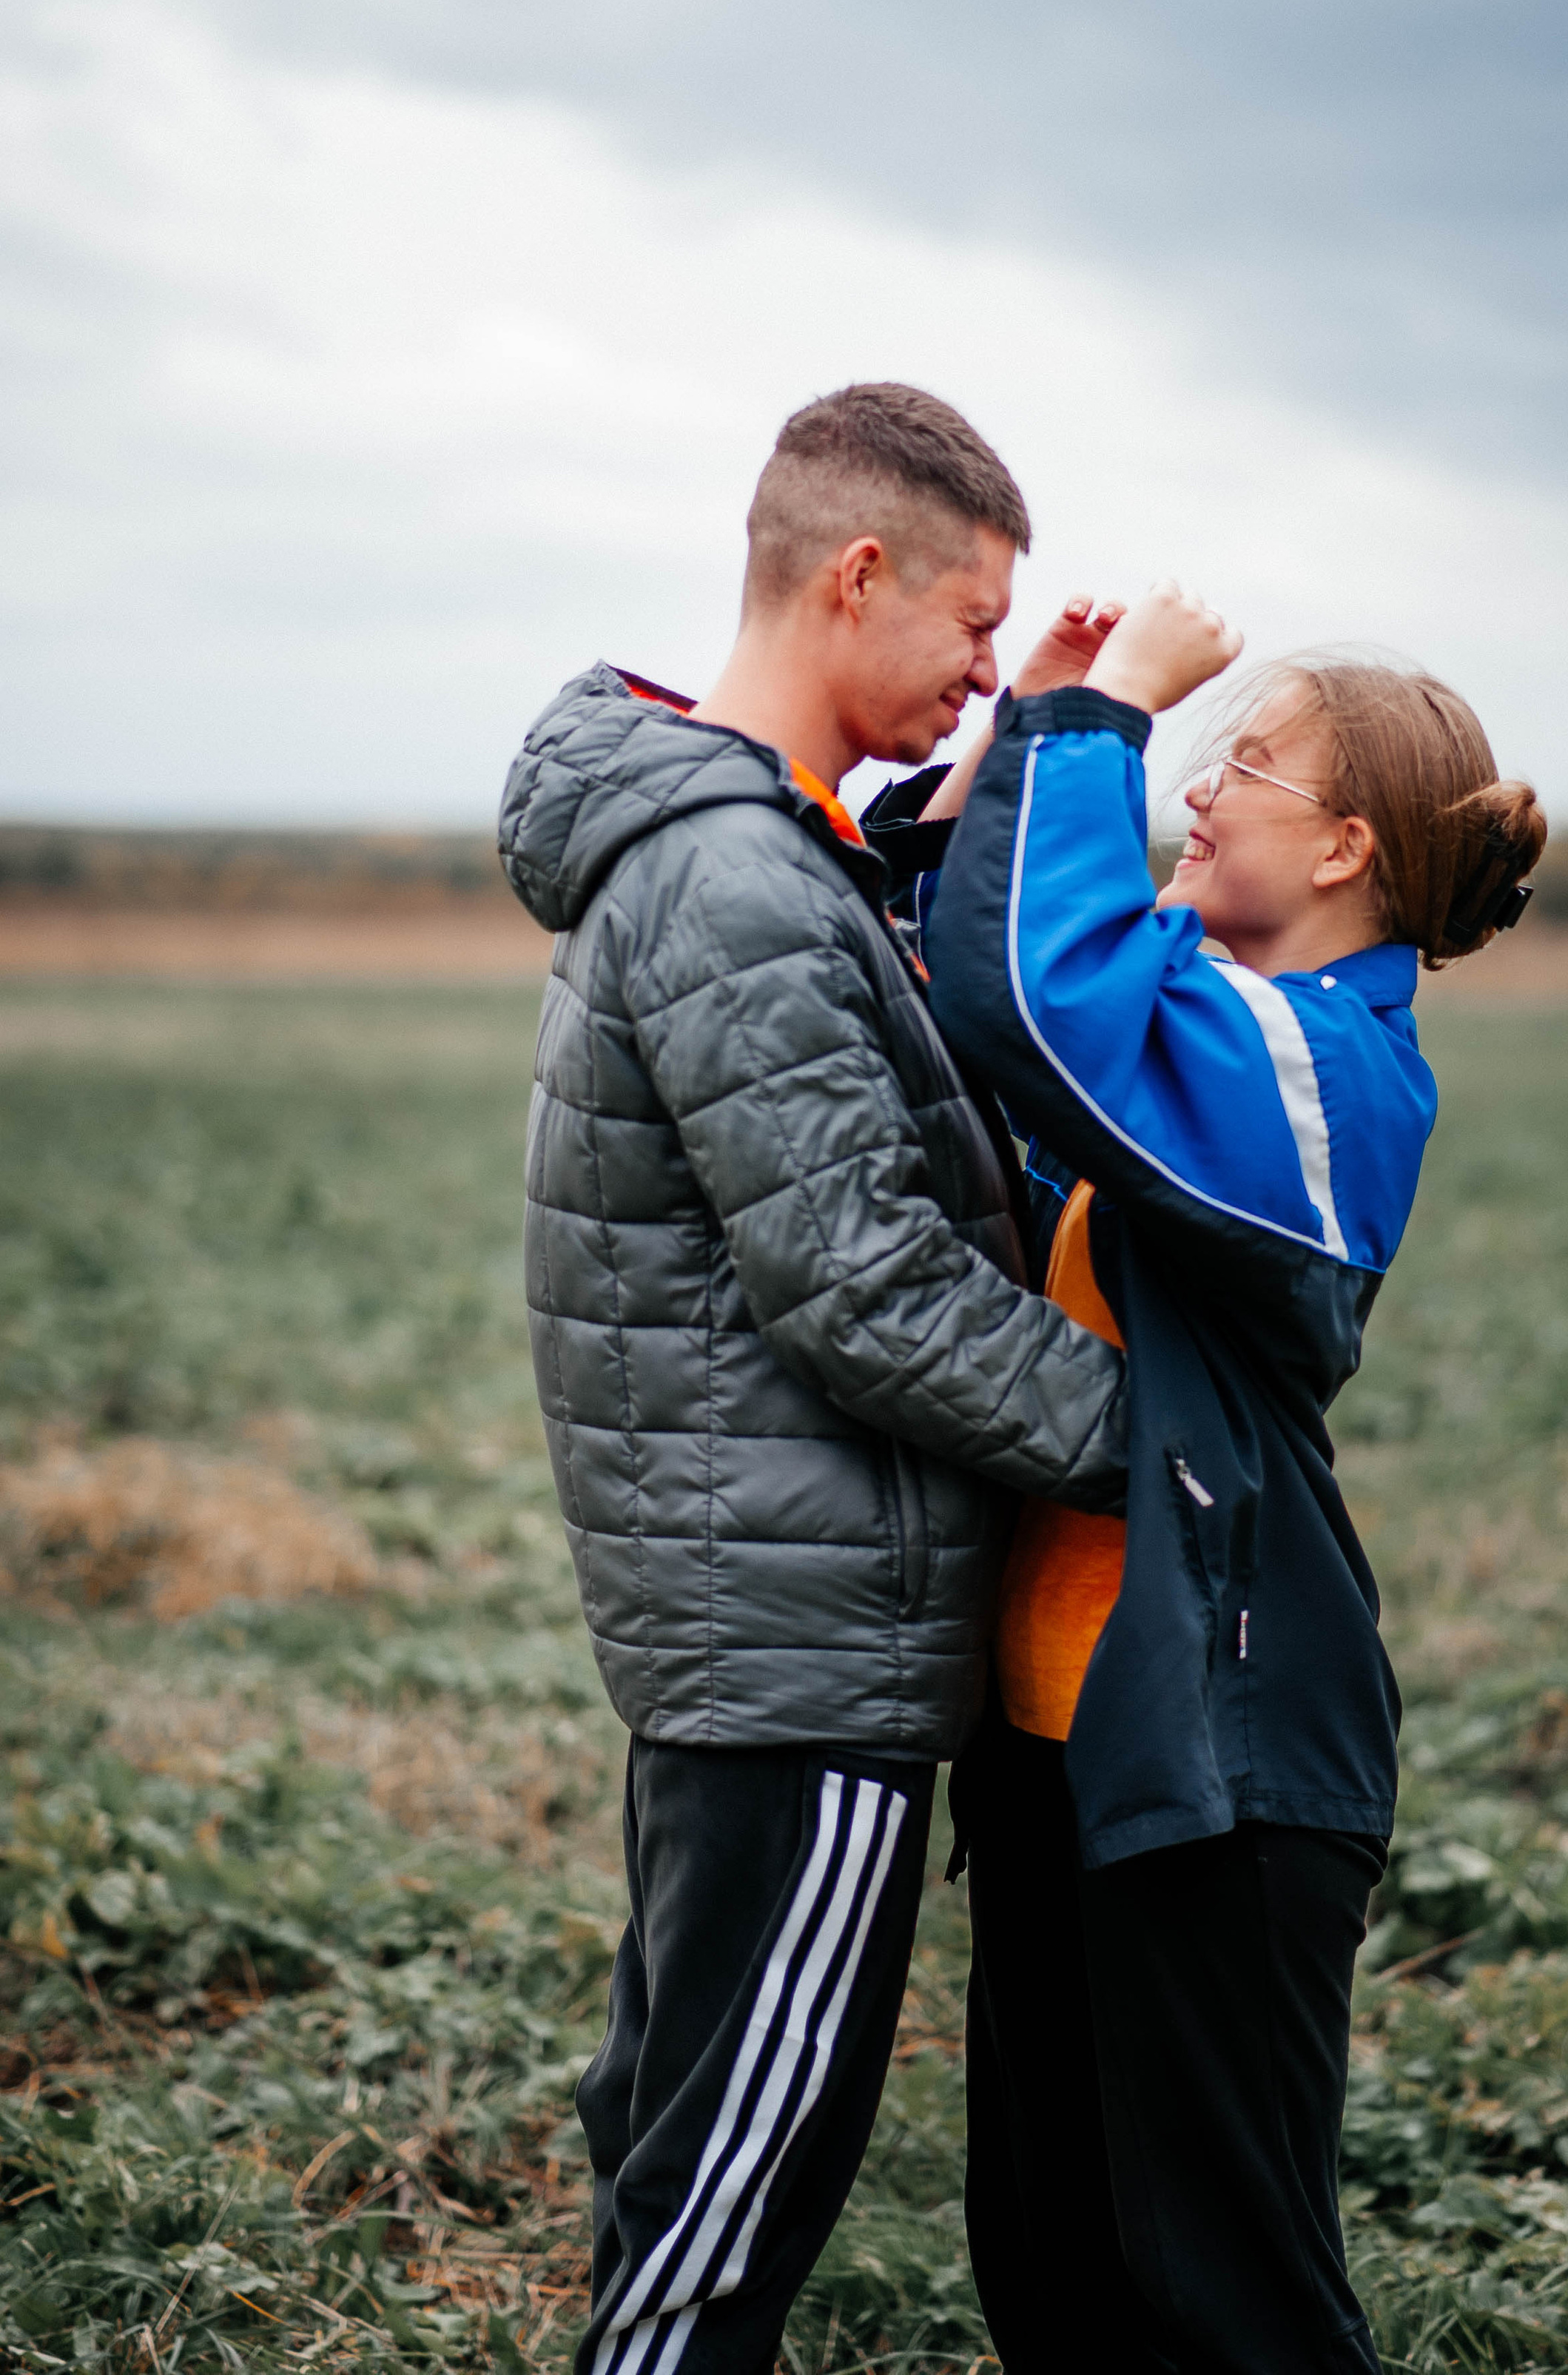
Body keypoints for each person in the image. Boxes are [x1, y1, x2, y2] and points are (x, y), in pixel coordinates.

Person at [497, 385, 1128, 2375]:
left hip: (763, 1615)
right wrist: (1166, 1446)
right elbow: (864, 1284)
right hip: (802, 1646)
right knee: (724, 2213)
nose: (976, 671)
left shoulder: (762, 847)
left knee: (688, 2149)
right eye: (969, 626)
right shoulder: (741, 882)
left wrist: (1028, 761)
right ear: (860, 572)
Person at [921, 585, 1547, 2375]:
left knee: (1226, 2303)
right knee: (1056, 2270)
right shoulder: (1203, 1031)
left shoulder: (1327, 1068)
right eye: (1194, 759)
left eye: (1240, 763)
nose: (1198, 789)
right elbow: (957, 971)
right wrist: (1027, 718)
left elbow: (1036, 998)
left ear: (1345, 846)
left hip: (1227, 1763)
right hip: (1064, 1750)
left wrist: (1105, 715)